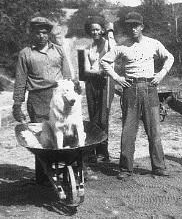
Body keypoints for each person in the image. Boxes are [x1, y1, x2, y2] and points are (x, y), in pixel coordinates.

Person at [100, 11, 174, 179]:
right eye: (129, 26)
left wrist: (161, 74)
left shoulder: (153, 43)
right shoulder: (123, 46)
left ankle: (159, 167)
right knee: (128, 131)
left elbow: (169, 58)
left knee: (154, 130)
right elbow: (104, 61)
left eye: (135, 25)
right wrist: (117, 78)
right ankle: (125, 169)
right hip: (130, 89)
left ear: (142, 27)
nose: (132, 29)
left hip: (150, 88)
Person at [12, 16, 75, 184]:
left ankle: (68, 172)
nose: (41, 36)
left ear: (49, 34)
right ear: (32, 34)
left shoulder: (59, 51)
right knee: (42, 138)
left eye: (44, 32)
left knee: (64, 133)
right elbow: (20, 81)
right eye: (37, 32)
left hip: (58, 96)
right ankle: (43, 177)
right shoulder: (25, 54)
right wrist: (17, 105)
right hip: (37, 99)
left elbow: (67, 76)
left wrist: (70, 97)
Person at [83, 15, 115, 162]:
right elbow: (85, 69)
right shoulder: (87, 46)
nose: (95, 32)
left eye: (97, 29)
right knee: (93, 116)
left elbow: (115, 52)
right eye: (92, 30)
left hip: (106, 82)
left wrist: (110, 32)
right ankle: (94, 150)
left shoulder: (109, 43)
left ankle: (103, 151)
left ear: (102, 30)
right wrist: (96, 72)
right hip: (91, 83)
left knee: (102, 117)